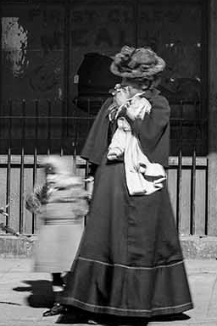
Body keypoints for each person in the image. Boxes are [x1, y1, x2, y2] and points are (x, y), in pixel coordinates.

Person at [58, 46, 193, 321]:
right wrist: (92, 174)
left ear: (144, 82)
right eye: (123, 80)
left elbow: (151, 134)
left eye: (128, 81)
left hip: (143, 182)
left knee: (142, 240)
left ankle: (140, 304)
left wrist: (127, 109)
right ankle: (92, 301)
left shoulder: (158, 104)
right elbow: (100, 140)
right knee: (103, 237)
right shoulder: (112, 103)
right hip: (112, 179)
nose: (121, 85)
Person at [25, 155, 89, 317]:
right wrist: (40, 207)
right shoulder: (45, 189)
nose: (51, 177)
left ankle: (74, 301)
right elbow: (31, 202)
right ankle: (59, 301)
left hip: (70, 234)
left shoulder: (73, 188)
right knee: (55, 271)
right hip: (52, 234)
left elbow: (82, 209)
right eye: (48, 174)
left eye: (54, 174)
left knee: (71, 270)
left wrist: (79, 197)